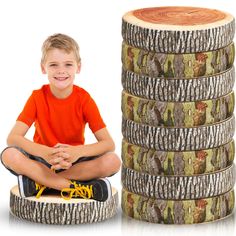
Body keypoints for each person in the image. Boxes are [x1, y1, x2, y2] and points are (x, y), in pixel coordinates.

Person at [0, 33, 121, 202]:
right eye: (54, 65)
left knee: (113, 161)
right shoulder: (37, 97)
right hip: (41, 160)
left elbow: (109, 144)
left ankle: (41, 182)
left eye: (68, 64)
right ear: (44, 68)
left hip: (73, 162)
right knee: (9, 155)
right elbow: (12, 138)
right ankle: (75, 188)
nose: (61, 71)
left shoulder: (84, 99)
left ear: (78, 67)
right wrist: (47, 153)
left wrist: (77, 152)